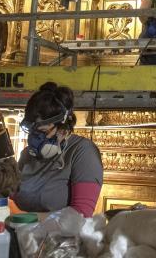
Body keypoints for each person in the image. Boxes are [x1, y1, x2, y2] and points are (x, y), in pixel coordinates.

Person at [13, 82, 103, 217]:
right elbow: (12, 196)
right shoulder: (27, 155)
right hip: (23, 235)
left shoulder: (82, 152)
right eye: (31, 131)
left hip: (59, 238)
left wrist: (20, 216)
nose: (34, 139)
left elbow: (80, 216)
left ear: (62, 128)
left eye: (42, 131)